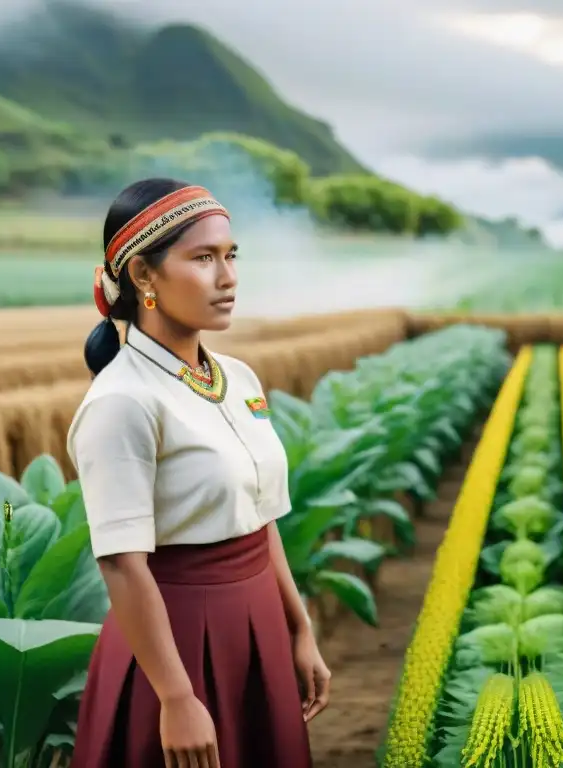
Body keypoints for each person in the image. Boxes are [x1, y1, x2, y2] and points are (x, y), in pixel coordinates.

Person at [68, 178, 329, 768]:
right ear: (143, 276)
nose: (228, 276)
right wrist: (177, 696)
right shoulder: (123, 401)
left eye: (231, 255)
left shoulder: (237, 378)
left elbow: (261, 521)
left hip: (257, 620)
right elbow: (121, 562)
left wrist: (298, 628)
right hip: (177, 642)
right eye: (204, 258)